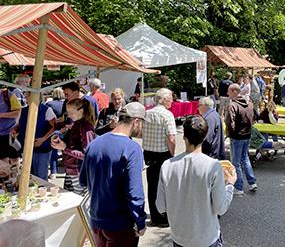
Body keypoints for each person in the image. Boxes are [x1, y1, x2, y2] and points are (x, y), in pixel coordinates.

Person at [156, 115, 237, 247]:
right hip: (207, 238)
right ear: (204, 137)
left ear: (184, 137)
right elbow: (221, 208)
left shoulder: (167, 166)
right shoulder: (213, 166)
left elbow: (160, 206)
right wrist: (230, 185)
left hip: (179, 237)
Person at [80, 102, 147, 247]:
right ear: (136, 121)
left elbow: (83, 180)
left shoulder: (94, 144)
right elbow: (134, 192)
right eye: (142, 123)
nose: (142, 128)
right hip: (121, 225)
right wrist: (140, 221)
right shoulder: (132, 148)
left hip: (97, 221)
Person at [142, 88, 176, 227]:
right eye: (171, 98)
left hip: (149, 153)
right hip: (163, 154)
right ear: (165, 99)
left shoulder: (147, 113)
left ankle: (155, 217)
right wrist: (173, 155)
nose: (173, 101)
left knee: (152, 185)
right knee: (164, 186)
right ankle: (163, 217)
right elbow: (172, 139)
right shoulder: (167, 115)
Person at [51, 98, 95, 195]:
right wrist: (60, 141)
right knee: (69, 198)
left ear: (81, 111)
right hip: (71, 170)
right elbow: (72, 144)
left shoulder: (86, 127)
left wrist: (64, 148)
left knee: (77, 201)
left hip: (78, 171)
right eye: (68, 113)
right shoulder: (77, 124)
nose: (69, 116)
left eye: (71, 112)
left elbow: (86, 154)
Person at [10, 92, 56, 180]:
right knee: (29, 174)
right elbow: (21, 125)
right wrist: (15, 130)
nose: (26, 98)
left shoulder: (46, 110)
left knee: (41, 175)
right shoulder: (23, 110)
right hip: (27, 147)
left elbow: (54, 127)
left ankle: (42, 192)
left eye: (27, 96)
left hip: (42, 148)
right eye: (26, 97)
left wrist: (43, 139)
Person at [225, 83, 257, 194]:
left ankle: (238, 187)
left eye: (229, 91)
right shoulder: (249, 104)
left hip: (237, 137)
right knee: (245, 158)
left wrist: (230, 133)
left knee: (236, 162)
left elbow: (229, 122)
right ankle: (252, 182)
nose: (227, 93)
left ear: (234, 91)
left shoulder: (233, 105)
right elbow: (253, 118)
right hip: (247, 135)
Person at [46, 87, 65, 178]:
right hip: (65, 130)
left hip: (54, 130)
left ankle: (53, 171)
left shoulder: (49, 104)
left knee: (53, 150)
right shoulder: (66, 103)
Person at [0, 88, 21, 163]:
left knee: (14, 160)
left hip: (10, 133)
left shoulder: (8, 94)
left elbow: (17, 112)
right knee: (2, 161)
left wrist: (1, 115)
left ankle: (15, 174)